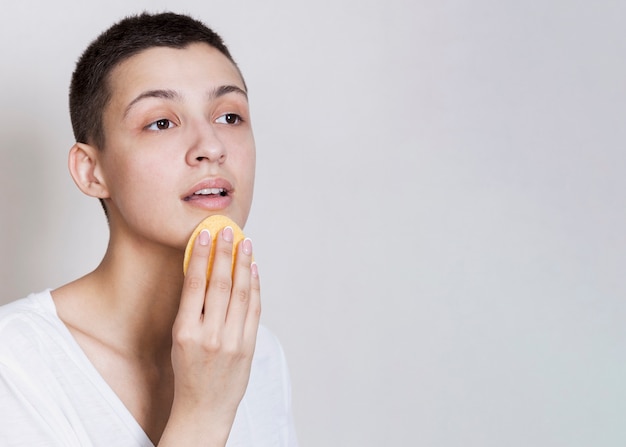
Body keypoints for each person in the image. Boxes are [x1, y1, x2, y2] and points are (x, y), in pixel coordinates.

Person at [0, 11, 297, 447]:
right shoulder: (16, 362)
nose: (211, 147)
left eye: (230, 117)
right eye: (161, 122)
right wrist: (204, 412)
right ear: (91, 170)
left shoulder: (257, 352)